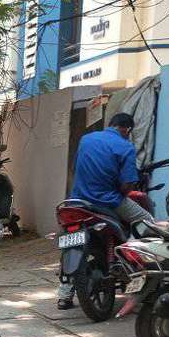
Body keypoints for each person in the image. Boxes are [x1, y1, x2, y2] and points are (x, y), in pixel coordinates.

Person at [57, 111, 154, 309]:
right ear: (126, 130)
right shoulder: (125, 146)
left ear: (110, 124)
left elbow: (76, 168)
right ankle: (143, 266)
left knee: (69, 242)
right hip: (107, 201)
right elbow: (127, 185)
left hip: (76, 201)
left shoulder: (86, 138)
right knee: (149, 221)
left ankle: (64, 294)